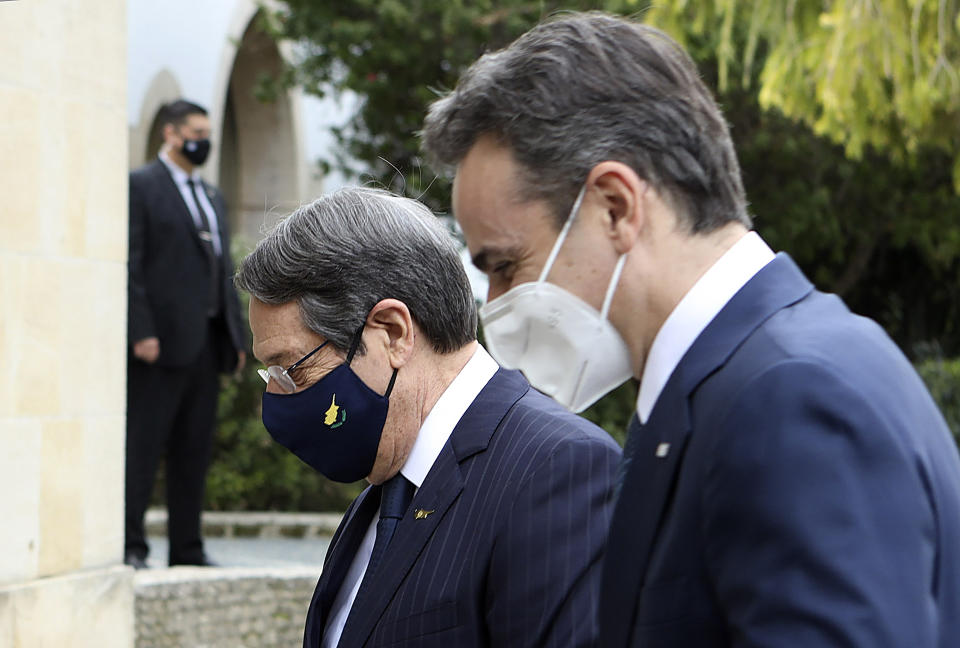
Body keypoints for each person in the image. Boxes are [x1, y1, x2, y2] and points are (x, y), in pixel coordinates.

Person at [421, 11, 960, 648]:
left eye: (506, 264)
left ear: (615, 207)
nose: (499, 302)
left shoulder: (790, 399)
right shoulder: (716, 393)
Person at [235, 187, 621, 648]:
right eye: (269, 374)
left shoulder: (559, 471)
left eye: (291, 368)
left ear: (393, 333)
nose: (277, 397)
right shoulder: (385, 486)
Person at [126, 99, 247, 568]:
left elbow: (223, 270)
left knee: (193, 452)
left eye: (207, 132)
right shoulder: (141, 186)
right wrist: (141, 331)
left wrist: (235, 337)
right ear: (171, 134)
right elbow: (132, 265)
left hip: (206, 344)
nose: (204, 141)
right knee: (142, 448)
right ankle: (131, 546)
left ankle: (187, 548)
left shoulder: (212, 196)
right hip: (157, 346)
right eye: (196, 131)